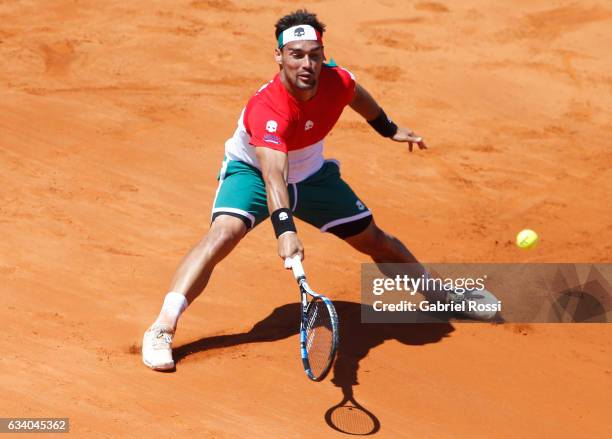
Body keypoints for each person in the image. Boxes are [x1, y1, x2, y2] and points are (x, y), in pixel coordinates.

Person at [142, 10, 496, 371]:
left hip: (312, 176)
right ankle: (162, 328)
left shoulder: (336, 80)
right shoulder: (267, 108)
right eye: (296, 54)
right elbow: (274, 177)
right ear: (279, 56)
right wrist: (286, 231)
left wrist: (388, 128)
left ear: (323, 54)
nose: (306, 63)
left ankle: (442, 297)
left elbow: (357, 95)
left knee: (376, 240)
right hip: (254, 174)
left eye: (314, 54)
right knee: (223, 234)